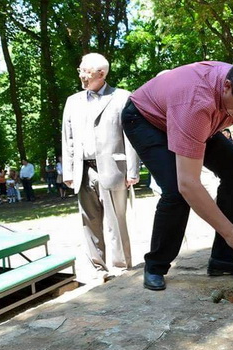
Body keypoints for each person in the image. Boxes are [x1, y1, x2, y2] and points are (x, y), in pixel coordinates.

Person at [122, 58, 233, 291]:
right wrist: (230, 231)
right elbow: (188, 184)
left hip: (198, 119)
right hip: (147, 120)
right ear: (227, 87)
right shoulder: (195, 102)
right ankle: (156, 265)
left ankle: (224, 258)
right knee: (174, 190)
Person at [61, 52, 140, 281]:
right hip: (83, 170)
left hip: (114, 168)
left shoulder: (122, 97)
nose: (81, 75)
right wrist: (68, 171)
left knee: (117, 220)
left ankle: (121, 266)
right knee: (89, 221)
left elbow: (131, 136)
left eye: (85, 71)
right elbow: (68, 139)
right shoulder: (72, 101)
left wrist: (132, 171)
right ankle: (98, 267)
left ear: (101, 73)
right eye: (80, 70)